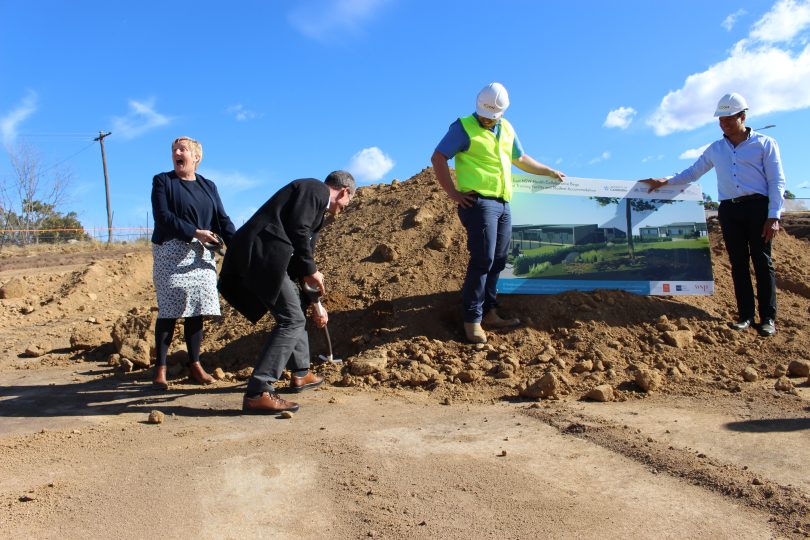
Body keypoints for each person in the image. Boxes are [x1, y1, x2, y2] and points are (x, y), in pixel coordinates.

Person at [641, 92, 785, 337]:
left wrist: (774, 216)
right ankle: (746, 317)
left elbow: (777, 180)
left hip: (758, 208)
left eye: (729, 119)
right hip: (729, 210)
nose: (724, 124)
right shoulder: (716, 149)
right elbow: (693, 172)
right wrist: (666, 180)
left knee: (762, 262)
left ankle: (768, 319)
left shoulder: (764, 143)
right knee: (738, 264)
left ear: (742, 116)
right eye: (721, 120)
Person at [431, 82, 565, 344]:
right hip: (478, 203)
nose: (486, 118)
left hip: (503, 204)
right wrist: (453, 193)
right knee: (483, 259)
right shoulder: (463, 126)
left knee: (499, 260)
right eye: (483, 113)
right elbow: (438, 157)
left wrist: (548, 170)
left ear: (502, 113)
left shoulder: (507, 129)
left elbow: (521, 158)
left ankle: (489, 311)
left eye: (491, 115)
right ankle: (472, 320)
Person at [218, 171, 356, 414]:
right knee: (291, 320)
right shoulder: (316, 189)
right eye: (348, 202)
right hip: (260, 255)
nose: (345, 208)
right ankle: (258, 391)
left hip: (268, 258)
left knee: (296, 311)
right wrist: (312, 269)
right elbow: (299, 233)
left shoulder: (316, 211)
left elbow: (299, 265)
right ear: (344, 191)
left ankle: (301, 373)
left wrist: (316, 304)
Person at [150, 136, 236, 389]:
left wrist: (238, 244)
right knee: (169, 310)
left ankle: (195, 365)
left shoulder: (208, 185)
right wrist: (195, 232)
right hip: (171, 251)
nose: (177, 152)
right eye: (174, 149)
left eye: (183, 149)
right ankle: (160, 369)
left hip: (201, 255)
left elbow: (221, 219)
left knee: (196, 310)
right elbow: (162, 216)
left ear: (196, 157)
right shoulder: (163, 181)